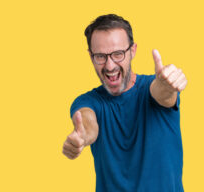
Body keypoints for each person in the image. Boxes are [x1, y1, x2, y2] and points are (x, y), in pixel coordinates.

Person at [62, 14, 187, 192]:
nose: (110, 65)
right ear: (91, 56)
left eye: (118, 54)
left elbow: (163, 94)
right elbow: (88, 124)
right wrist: (82, 138)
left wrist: (168, 85)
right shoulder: (88, 101)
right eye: (100, 56)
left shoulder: (154, 87)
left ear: (133, 51)